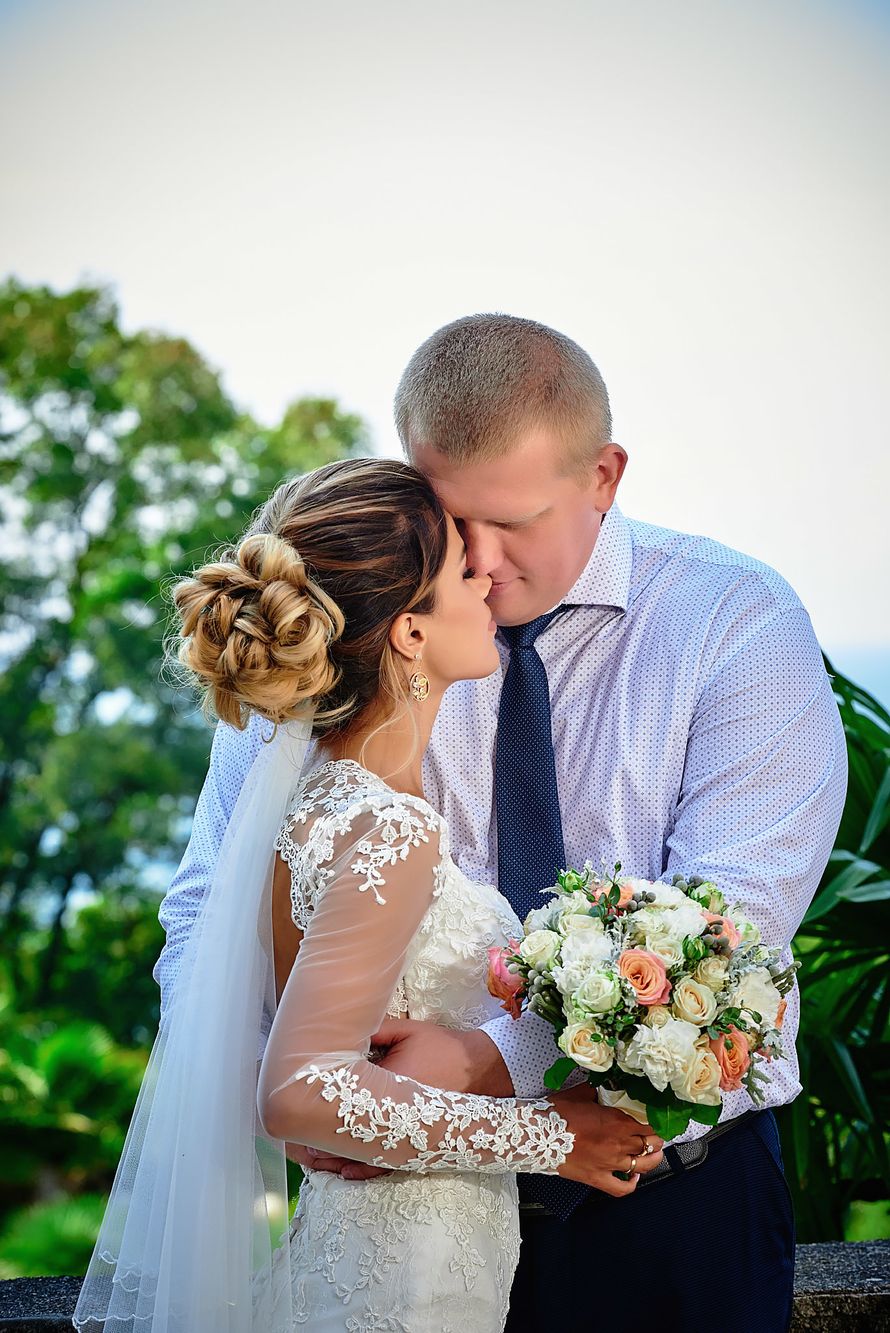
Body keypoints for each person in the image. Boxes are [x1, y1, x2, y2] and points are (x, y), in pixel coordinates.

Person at [154, 316, 847, 1333]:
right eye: (449, 515)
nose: (475, 560)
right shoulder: (341, 636)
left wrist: (485, 1058)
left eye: (509, 521)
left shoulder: (733, 623)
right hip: (396, 1216)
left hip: (670, 1203)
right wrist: (300, 1087)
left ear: (602, 475)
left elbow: (731, 932)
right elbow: (205, 913)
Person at [74, 457, 665, 1333]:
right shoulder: (389, 827)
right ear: (410, 634)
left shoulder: (313, 804)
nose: (490, 583)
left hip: (385, 1253)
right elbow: (301, 1089)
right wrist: (557, 1138)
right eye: (465, 572)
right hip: (404, 1280)